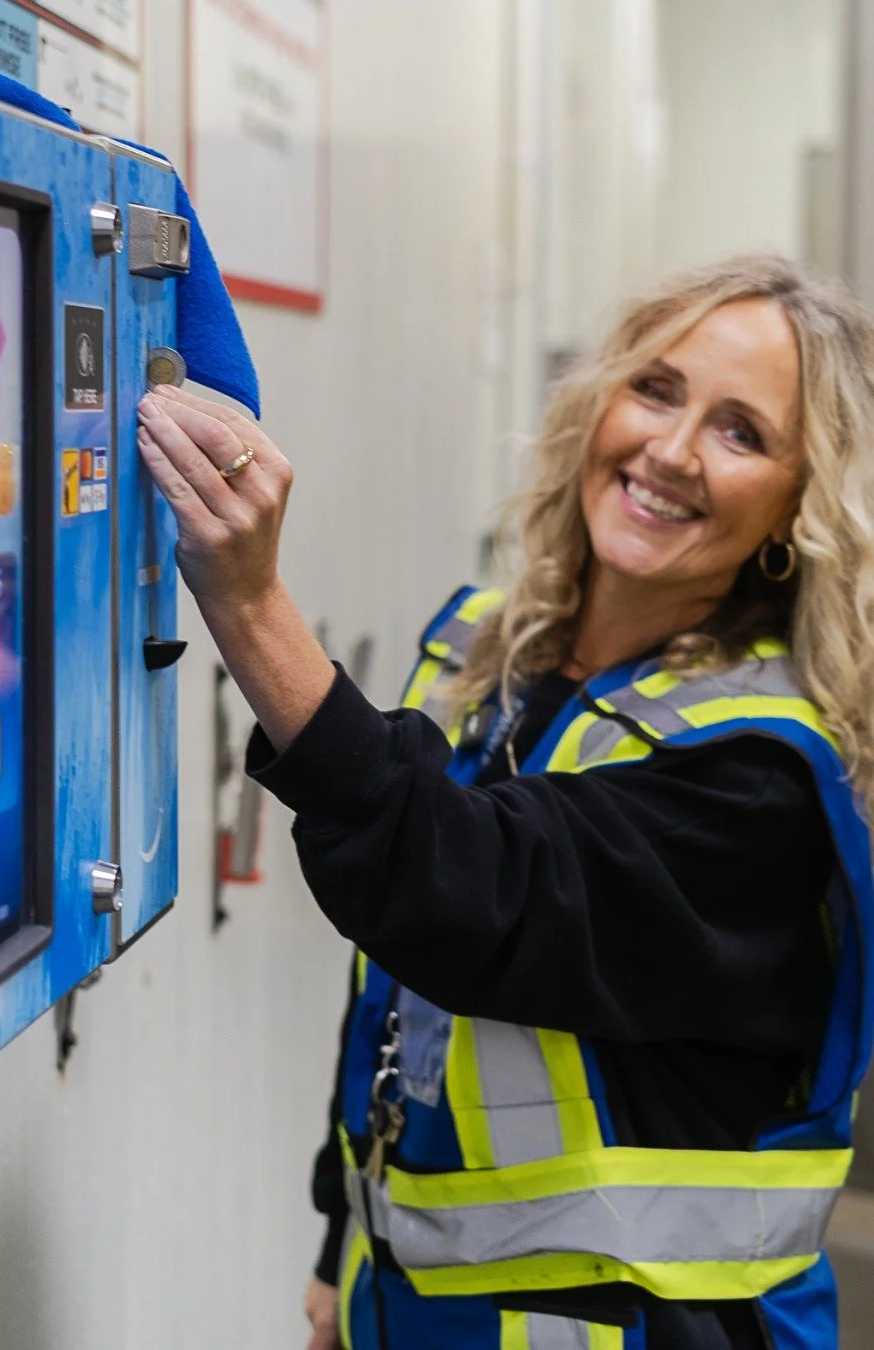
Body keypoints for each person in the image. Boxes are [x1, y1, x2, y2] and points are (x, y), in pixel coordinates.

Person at [136, 255, 874, 1350]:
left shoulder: (761, 778)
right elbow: (400, 997)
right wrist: (344, 1243)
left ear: (793, 508)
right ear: (601, 400)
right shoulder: (489, 650)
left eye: (741, 433)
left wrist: (249, 602)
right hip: (413, 1309)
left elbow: (465, 887)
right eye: (657, 390)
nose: (670, 452)